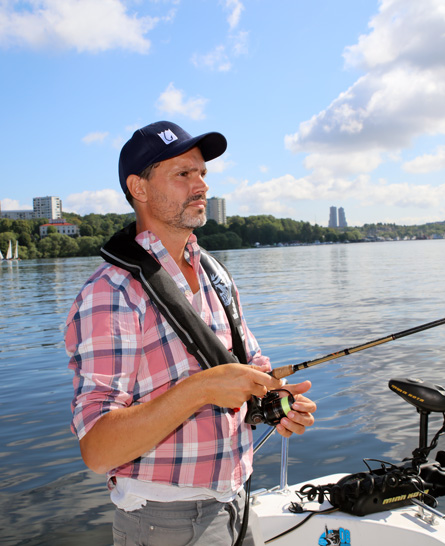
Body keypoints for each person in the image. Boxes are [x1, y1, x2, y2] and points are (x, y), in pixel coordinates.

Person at [65, 121, 317, 545]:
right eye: (183, 174)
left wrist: (279, 400)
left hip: (238, 500)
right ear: (139, 189)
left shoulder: (214, 272)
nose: (200, 184)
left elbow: (250, 370)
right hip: (165, 520)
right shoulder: (111, 292)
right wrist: (201, 390)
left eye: (202, 173)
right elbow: (98, 448)